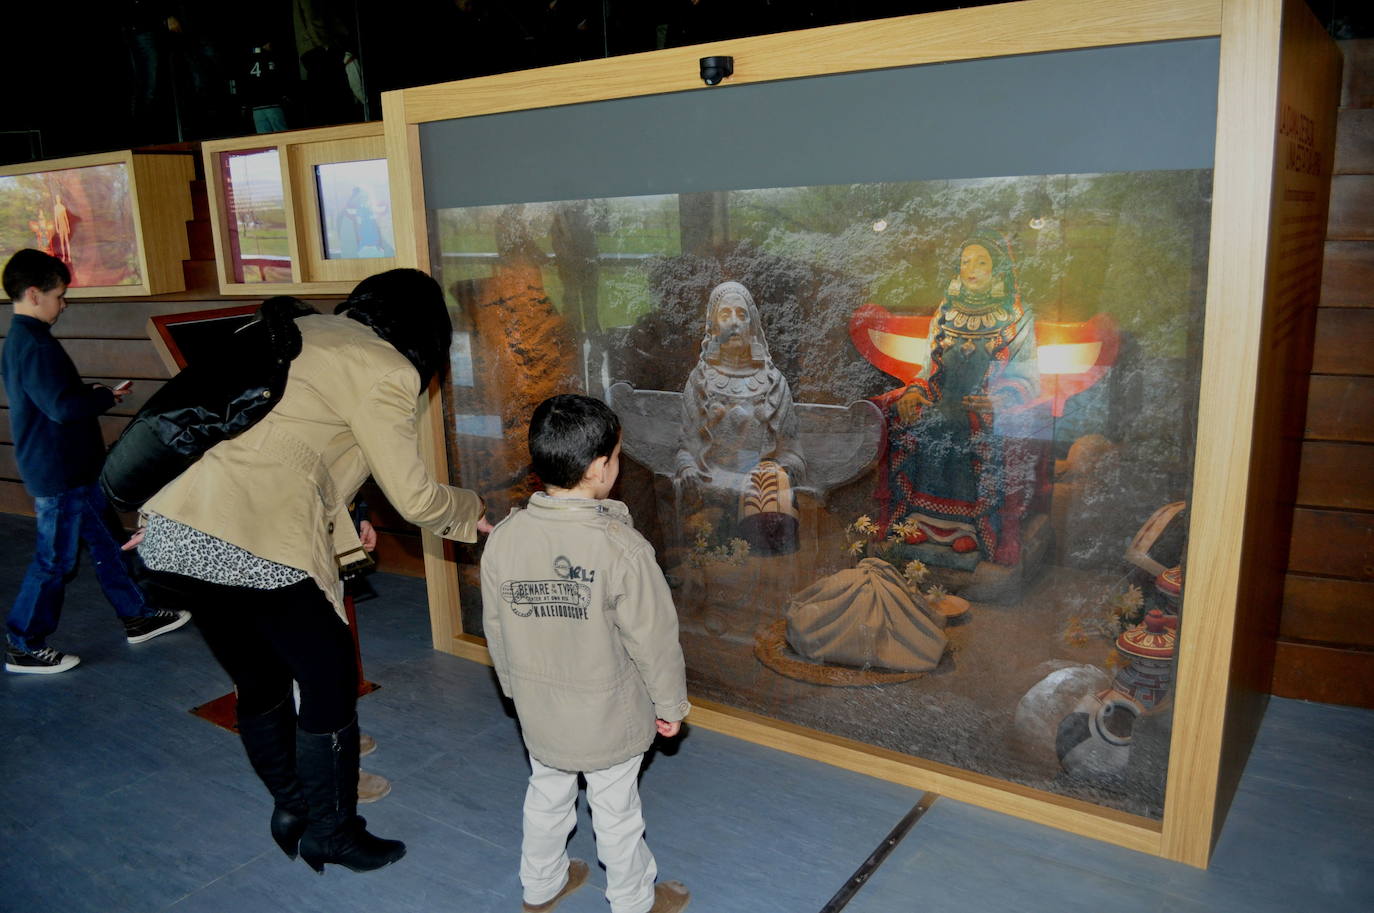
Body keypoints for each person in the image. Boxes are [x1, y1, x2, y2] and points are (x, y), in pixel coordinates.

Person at [131, 268, 491, 874]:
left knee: (260, 678)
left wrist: (347, 522)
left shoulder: (301, 329)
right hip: (247, 537)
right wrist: (472, 511)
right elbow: (416, 498)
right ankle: (333, 832)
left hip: (178, 526)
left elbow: (282, 443)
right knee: (328, 673)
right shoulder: (385, 367)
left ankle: (292, 807)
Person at [482, 393, 692, 913]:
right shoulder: (623, 549)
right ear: (600, 468)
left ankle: (541, 884)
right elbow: (655, 640)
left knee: (546, 793)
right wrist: (670, 706)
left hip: (539, 710)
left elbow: (496, 630)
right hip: (608, 718)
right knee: (617, 810)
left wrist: (515, 689)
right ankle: (633, 899)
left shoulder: (504, 539)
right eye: (617, 456)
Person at [2, 249, 190, 675]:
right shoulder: (34, 344)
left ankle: (137, 614)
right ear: (34, 293)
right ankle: (23, 643)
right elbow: (62, 408)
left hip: (71, 469)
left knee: (108, 545)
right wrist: (103, 397)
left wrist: (94, 392)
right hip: (59, 473)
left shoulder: (22, 339)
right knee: (55, 562)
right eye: (58, 295)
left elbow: (53, 398)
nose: (63, 304)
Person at [876, 230, 1043, 566]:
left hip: (985, 412)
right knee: (923, 422)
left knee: (963, 427)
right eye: (966, 261)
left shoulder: (1016, 318)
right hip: (942, 404)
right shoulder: (945, 314)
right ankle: (919, 521)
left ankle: (969, 530)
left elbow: (1028, 378)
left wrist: (1000, 400)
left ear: (998, 270)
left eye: (982, 261)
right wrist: (913, 392)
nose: (972, 268)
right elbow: (927, 370)